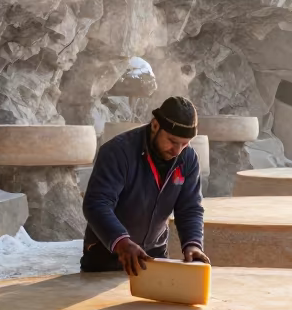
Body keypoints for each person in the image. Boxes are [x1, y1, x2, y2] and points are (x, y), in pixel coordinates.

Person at [80, 95, 210, 275]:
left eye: (185, 144)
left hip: (154, 256)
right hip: (108, 254)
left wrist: (193, 244)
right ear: (155, 125)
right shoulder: (118, 152)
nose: (177, 151)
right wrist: (122, 242)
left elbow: (190, 208)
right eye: (172, 141)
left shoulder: (188, 159)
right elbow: (97, 204)